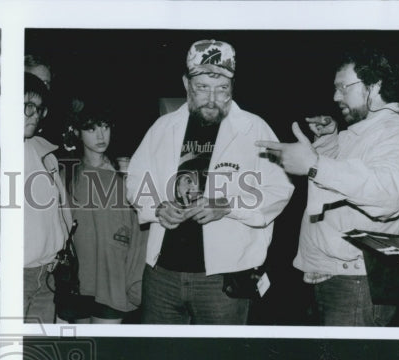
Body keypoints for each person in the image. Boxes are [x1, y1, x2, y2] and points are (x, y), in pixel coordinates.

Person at [126, 39, 293, 325]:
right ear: (186, 84)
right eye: (202, 88)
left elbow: (280, 190)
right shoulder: (163, 128)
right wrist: (156, 208)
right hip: (162, 275)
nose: (212, 98)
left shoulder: (255, 128)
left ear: (232, 86)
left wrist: (228, 206)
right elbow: (136, 180)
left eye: (222, 89)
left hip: (224, 279)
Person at [258, 48, 399, 326]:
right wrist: (328, 141)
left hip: (358, 282)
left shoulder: (396, 134)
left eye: (343, 88)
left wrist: (314, 163)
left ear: (375, 86)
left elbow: (388, 193)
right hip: (342, 277)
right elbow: (338, 187)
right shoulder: (362, 133)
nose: (336, 97)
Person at [63, 98, 146, 323]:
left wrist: (135, 281)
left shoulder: (127, 174)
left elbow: (140, 233)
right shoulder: (68, 175)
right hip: (79, 282)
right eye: (91, 128)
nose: (101, 136)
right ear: (78, 132)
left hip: (114, 280)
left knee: (104, 350)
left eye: (105, 127)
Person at [24, 73, 71, 323]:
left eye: (39, 108)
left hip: (48, 272)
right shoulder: (3, 153)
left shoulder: (45, 151)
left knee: (37, 350)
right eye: (27, 106)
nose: (34, 113)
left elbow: (60, 209)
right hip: (21, 275)